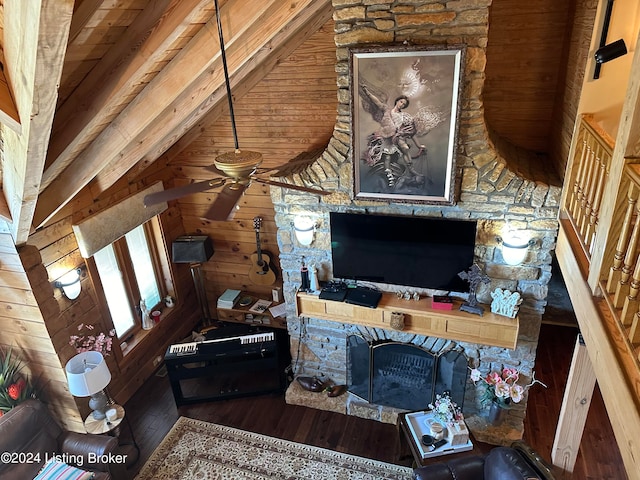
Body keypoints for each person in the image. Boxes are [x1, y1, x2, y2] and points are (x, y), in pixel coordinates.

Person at [359, 83, 426, 187]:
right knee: (387, 158)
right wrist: (367, 92)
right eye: (401, 102)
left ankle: (411, 170)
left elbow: (412, 133)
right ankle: (389, 175)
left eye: (404, 104)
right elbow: (377, 102)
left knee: (405, 148)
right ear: (397, 101)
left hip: (397, 137)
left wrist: (419, 146)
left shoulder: (404, 116)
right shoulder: (387, 110)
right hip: (386, 136)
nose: (402, 104)